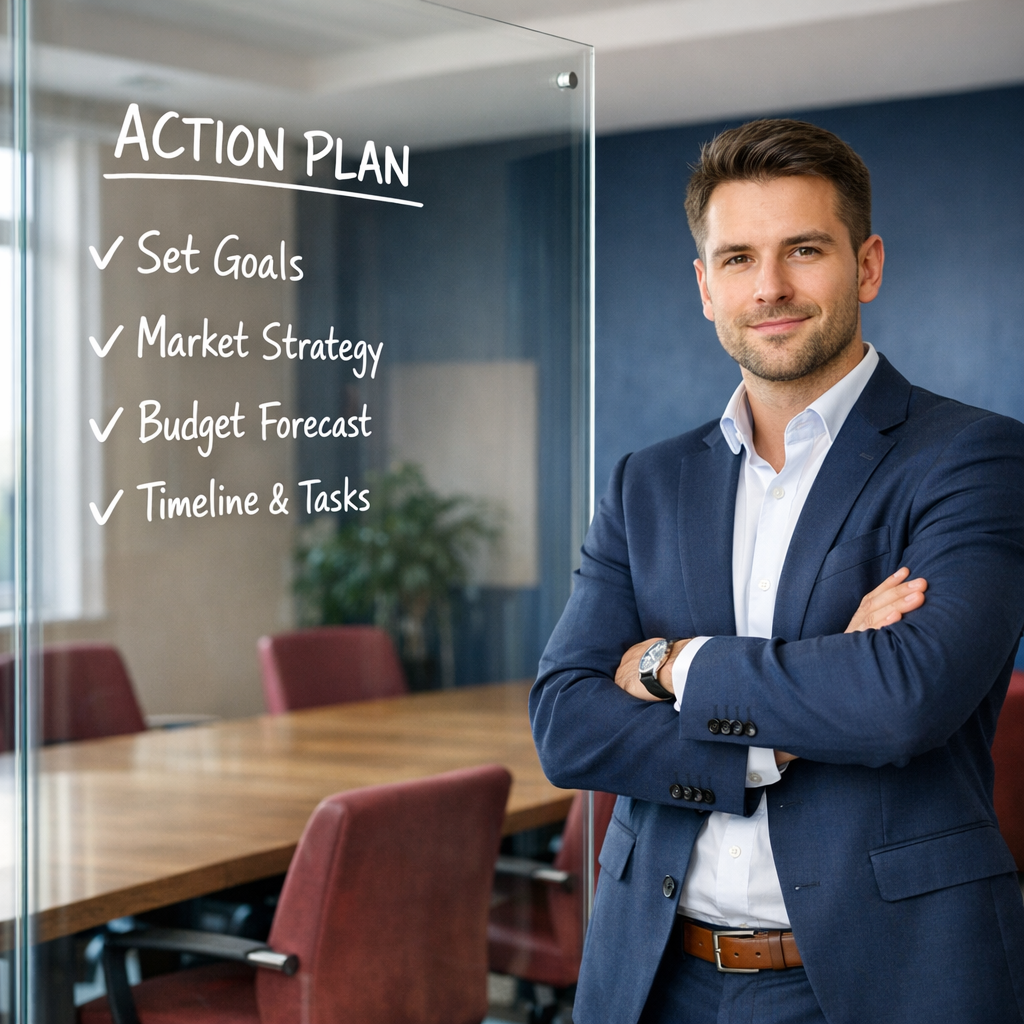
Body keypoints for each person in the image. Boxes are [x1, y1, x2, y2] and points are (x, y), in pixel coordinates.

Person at [530, 119, 1024, 1024]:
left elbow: (904, 697)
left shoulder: (975, 458)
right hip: (654, 976)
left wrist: (671, 665)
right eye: (738, 259)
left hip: (885, 978)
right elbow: (566, 726)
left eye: (804, 249)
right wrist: (789, 721)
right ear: (704, 287)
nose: (770, 288)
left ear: (866, 265)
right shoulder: (647, 482)